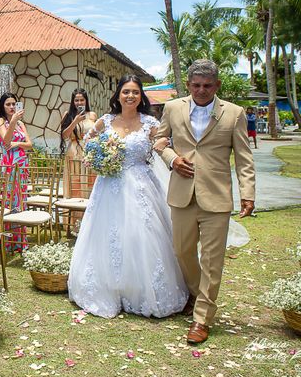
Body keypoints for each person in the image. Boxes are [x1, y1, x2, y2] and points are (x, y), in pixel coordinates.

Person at [68, 75, 189, 319]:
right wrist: (97, 159)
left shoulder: (150, 122)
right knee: (108, 235)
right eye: (125, 92)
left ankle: (140, 289)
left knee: (140, 234)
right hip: (108, 184)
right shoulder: (106, 120)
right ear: (118, 95)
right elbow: (89, 141)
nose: (130, 96)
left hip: (141, 185)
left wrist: (166, 142)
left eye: (135, 92)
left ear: (141, 96)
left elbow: (163, 142)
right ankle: (110, 287)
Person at [156, 59, 255, 344]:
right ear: (188, 85)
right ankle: (198, 294)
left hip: (216, 196)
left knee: (212, 261)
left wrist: (247, 192)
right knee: (182, 250)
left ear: (217, 85)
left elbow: (244, 158)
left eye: (207, 86)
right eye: (196, 85)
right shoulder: (172, 108)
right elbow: (160, 141)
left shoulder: (234, 113)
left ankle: (202, 319)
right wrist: (173, 159)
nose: (201, 90)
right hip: (182, 193)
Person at [0, 93, 32, 252]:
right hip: (9, 165)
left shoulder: (21, 123)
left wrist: (17, 143)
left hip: (22, 164)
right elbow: (5, 140)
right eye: (8, 104)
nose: (11, 107)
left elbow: (29, 144)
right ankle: (8, 240)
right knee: (10, 200)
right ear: (2, 106)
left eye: (13, 104)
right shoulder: (0, 121)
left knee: (21, 200)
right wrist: (13, 122)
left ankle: (20, 241)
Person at [59, 88, 98, 229]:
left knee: (89, 186)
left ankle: (91, 225)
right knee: (75, 187)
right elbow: (64, 135)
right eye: (76, 100)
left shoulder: (92, 115)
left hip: (90, 153)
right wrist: (75, 121)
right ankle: (75, 225)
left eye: (82, 100)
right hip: (74, 152)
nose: (79, 102)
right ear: (72, 101)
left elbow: (97, 132)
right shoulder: (68, 114)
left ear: (86, 101)